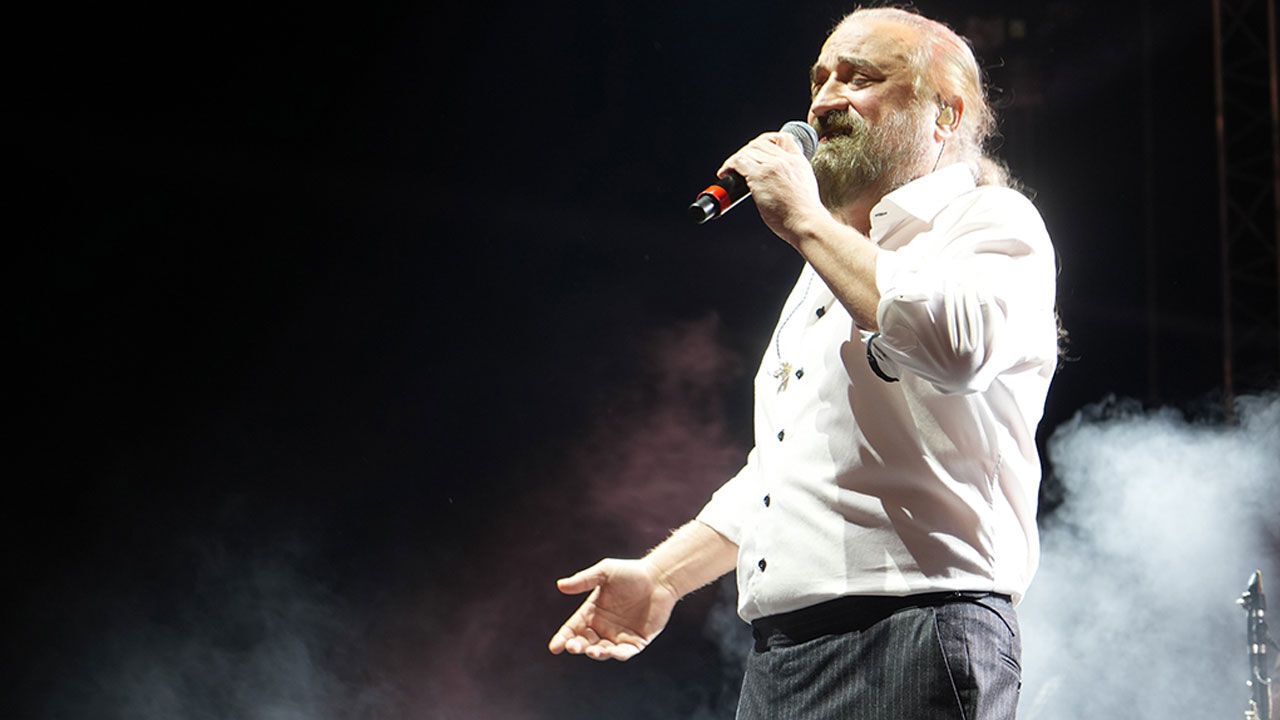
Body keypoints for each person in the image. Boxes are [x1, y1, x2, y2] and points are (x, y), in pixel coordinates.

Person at [549, 7, 1058, 719]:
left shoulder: (985, 220)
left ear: (945, 112)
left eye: (860, 77)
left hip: (913, 626)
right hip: (785, 653)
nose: (824, 101)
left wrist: (805, 220)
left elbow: (958, 347)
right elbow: (788, 465)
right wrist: (663, 576)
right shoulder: (828, 264)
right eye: (820, 79)